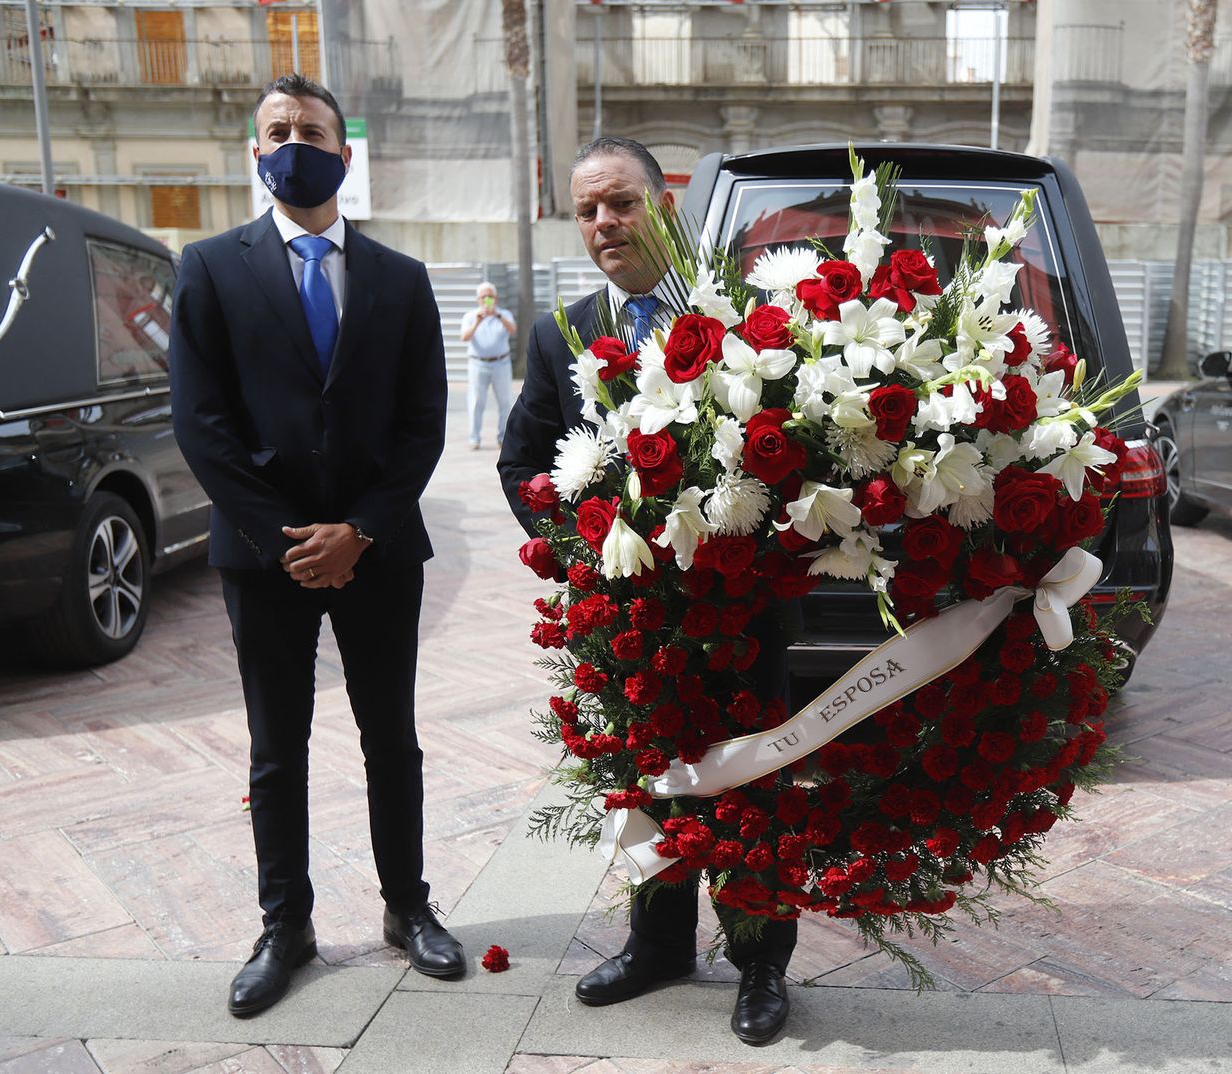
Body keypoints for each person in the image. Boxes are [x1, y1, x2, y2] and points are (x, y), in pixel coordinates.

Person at [169, 73, 464, 1018]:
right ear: (257, 154)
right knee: (275, 747)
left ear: (345, 152)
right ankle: (283, 924)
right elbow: (200, 423)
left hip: (379, 550)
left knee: (393, 740)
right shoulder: (209, 268)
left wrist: (362, 529)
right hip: (264, 555)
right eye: (277, 130)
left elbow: (424, 424)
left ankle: (407, 907)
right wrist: (286, 537)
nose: (295, 141)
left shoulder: (402, 279)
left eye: (312, 130)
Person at [497, 137, 797, 1046]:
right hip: (630, 618)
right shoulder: (564, 331)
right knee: (647, 786)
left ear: (662, 205)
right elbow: (524, 461)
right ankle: (658, 945)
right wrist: (579, 553)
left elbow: (795, 444)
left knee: (749, 787)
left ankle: (759, 965)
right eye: (587, 211)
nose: (603, 225)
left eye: (620, 203)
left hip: (739, 611)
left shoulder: (742, 315)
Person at [460, 281, 517, 450]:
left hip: (501, 362)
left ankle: (503, 436)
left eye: (490, 296)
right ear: (478, 299)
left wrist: (497, 316)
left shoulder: (504, 314)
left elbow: (513, 330)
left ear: (496, 298)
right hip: (478, 363)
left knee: (505, 401)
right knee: (476, 402)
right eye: (483, 297)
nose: (486, 300)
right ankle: (474, 437)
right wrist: (478, 322)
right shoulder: (471, 316)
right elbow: (464, 337)